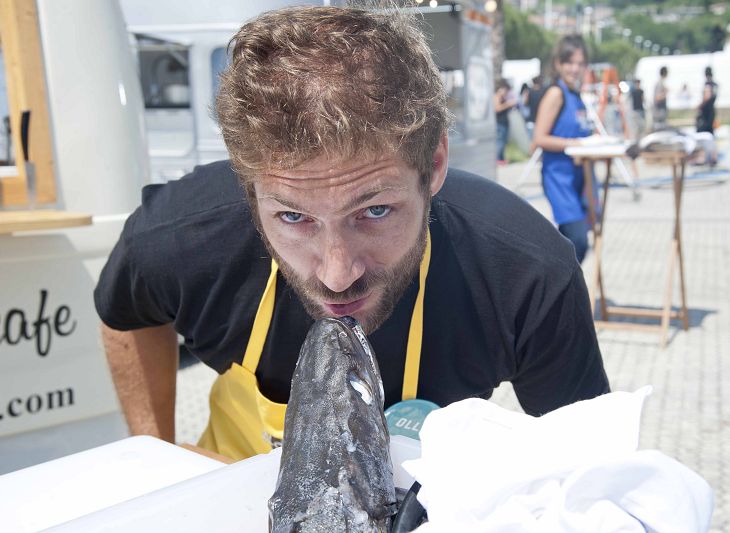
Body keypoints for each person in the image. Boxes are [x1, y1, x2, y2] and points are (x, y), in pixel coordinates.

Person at [94, 6, 609, 460]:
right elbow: (125, 312)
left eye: (376, 211)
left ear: (433, 166)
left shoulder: (526, 274)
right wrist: (156, 454)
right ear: (248, 190)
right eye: (294, 218)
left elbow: (591, 469)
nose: (338, 275)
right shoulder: (183, 234)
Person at [532, 34, 595, 263]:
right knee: (578, 241)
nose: (575, 69)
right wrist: (575, 145)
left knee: (571, 243)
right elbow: (539, 138)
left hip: (579, 179)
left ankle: (561, 292)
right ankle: (560, 292)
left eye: (580, 63)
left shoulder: (577, 96)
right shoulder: (556, 94)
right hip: (559, 178)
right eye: (569, 62)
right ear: (558, 63)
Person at [694, 67, 719, 166]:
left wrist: (699, 106)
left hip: (706, 113)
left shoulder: (707, 84)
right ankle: (713, 157)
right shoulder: (716, 84)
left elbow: (707, 96)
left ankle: (703, 157)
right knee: (711, 134)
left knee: (702, 135)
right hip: (712, 111)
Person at [494, 79, 516, 164]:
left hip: (503, 123)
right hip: (500, 123)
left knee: (503, 141)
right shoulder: (496, 97)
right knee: (500, 142)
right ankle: (498, 159)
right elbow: (497, 108)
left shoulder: (502, 98)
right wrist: (508, 104)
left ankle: (501, 158)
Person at [652, 66, 669, 131]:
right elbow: (657, 97)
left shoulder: (661, 83)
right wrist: (665, 93)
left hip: (660, 112)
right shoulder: (660, 83)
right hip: (659, 112)